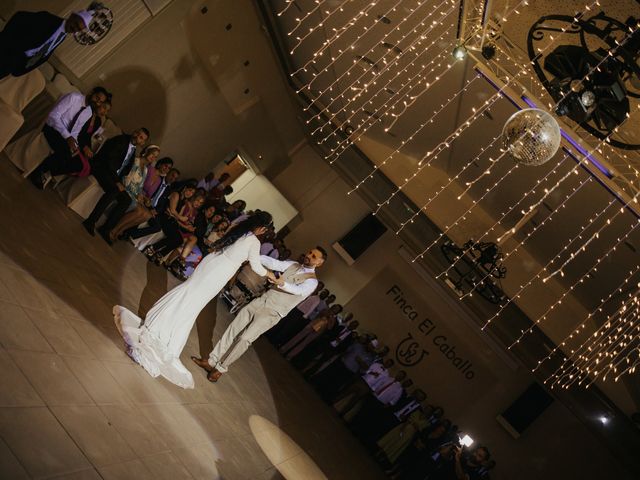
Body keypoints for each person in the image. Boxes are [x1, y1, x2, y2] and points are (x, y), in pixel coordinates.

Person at [113, 211, 276, 389]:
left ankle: (157, 326)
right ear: (262, 227)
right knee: (192, 304)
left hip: (211, 263)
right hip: (220, 272)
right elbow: (256, 267)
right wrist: (270, 274)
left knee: (187, 294)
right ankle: (162, 337)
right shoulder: (253, 241)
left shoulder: (238, 229)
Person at [191, 246, 327, 382]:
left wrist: (281, 283)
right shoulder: (293, 264)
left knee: (245, 338)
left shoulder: (312, 282)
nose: (309, 256)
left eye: (314, 256)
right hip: (262, 300)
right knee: (234, 328)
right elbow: (274, 263)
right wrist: (254, 256)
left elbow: (298, 290)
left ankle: (221, 368)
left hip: (273, 312)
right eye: (310, 252)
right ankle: (211, 361)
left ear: (320, 263)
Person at [28, 86, 109, 188]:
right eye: (97, 98)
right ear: (91, 93)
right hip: (52, 128)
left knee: (78, 162)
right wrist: (67, 137)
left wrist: (75, 145)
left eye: (100, 102)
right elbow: (53, 115)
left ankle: (47, 172)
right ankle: (39, 171)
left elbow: (76, 131)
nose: (97, 103)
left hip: (66, 136)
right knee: (66, 152)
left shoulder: (88, 112)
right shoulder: (73, 97)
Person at [82, 128, 149, 235]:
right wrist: (117, 182)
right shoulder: (121, 140)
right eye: (137, 133)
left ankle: (106, 229)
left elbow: (125, 170)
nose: (137, 137)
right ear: (134, 132)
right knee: (114, 190)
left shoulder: (133, 150)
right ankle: (90, 221)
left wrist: (121, 182)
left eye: (141, 138)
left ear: (143, 142)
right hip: (102, 168)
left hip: (114, 177)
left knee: (126, 200)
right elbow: (109, 162)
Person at [0, 9, 95, 79]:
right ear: (72, 16)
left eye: (78, 29)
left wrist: (23, 67)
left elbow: (44, 54)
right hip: (8, 52)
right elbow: (20, 16)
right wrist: (5, 40)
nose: (75, 29)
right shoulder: (49, 19)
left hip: (17, 63)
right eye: (76, 24)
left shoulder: (62, 37)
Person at [100, 145, 160, 243]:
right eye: (152, 154)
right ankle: (112, 230)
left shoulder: (145, 169)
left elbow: (140, 186)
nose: (153, 158)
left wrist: (142, 196)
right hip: (126, 189)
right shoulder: (136, 161)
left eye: (155, 157)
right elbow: (126, 179)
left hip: (134, 194)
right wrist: (136, 194)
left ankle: (119, 231)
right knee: (139, 210)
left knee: (147, 215)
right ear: (147, 151)